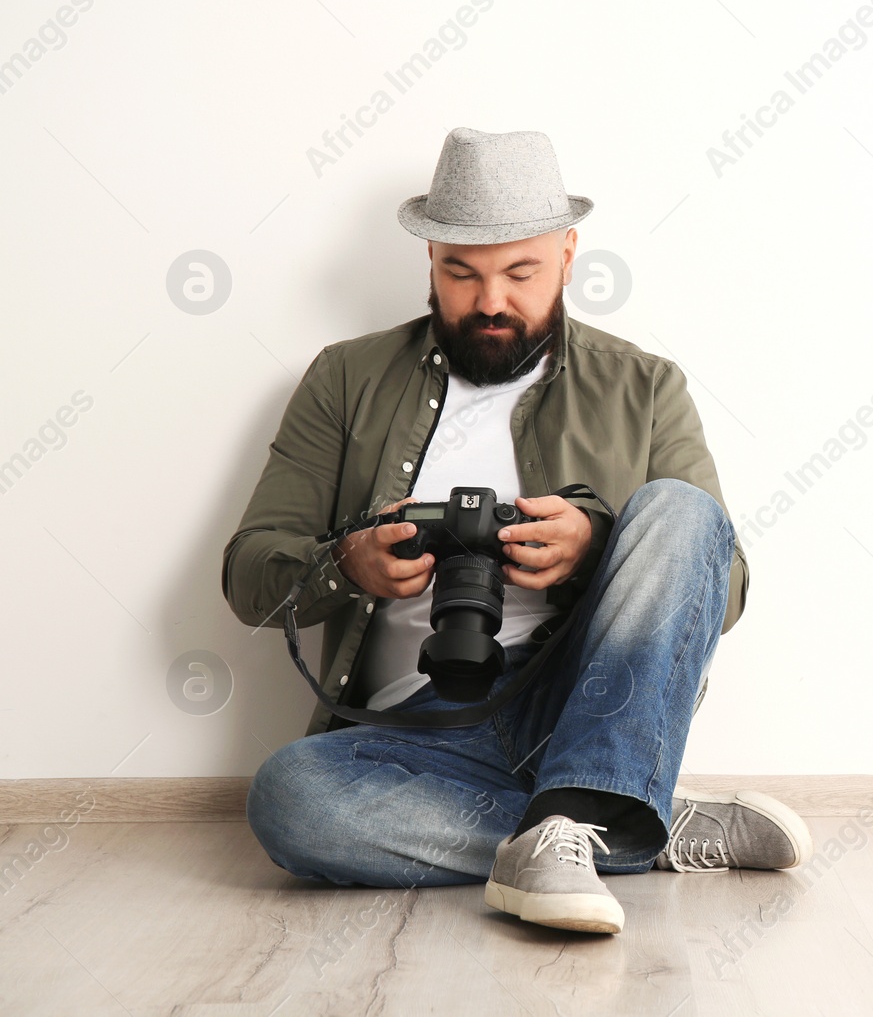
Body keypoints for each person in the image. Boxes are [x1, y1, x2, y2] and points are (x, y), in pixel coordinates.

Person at [226, 126, 810, 935]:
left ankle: (589, 800)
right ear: (428, 260)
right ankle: (622, 819)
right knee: (289, 799)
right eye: (460, 273)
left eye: (521, 271)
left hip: (586, 697)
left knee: (679, 505)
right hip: (414, 733)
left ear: (569, 254)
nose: (490, 300)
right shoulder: (344, 378)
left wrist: (594, 550)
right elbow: (251, 578)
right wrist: (346, 565)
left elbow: (724, 580)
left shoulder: (644, 385)